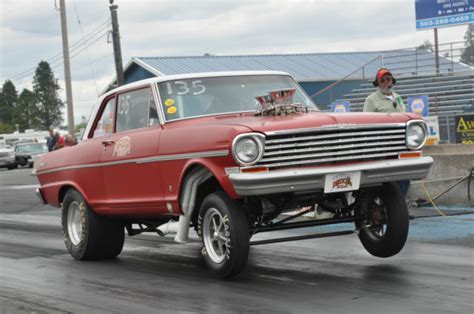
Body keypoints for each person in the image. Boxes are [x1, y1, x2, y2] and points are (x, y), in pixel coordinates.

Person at [363, 68, 413, 217]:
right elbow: (366, 122)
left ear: (392, 81)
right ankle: (376, 209)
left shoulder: (398, 97)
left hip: (400, 144)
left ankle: (399, 209)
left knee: (404, 178)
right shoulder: (371, 100)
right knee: (380, 180)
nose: (386, 83)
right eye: (383, 80)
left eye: (388, 79)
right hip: (381, 145)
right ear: (377, 83)